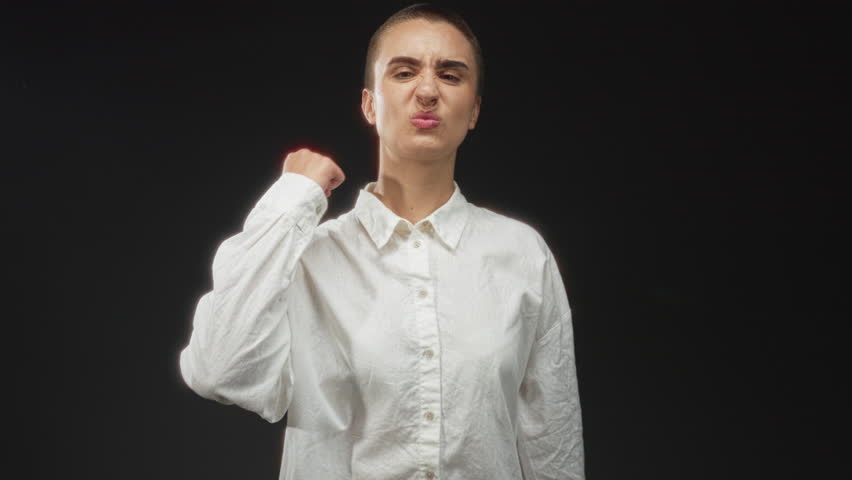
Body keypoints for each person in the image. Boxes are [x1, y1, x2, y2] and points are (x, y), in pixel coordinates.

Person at [178, 3, 585, 479]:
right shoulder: (309, 257)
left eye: (451, 76)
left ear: (474, 111)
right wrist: (293, 200)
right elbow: (220, 370)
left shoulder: (522, 255)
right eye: (405, 72)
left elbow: (553, 444)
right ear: (370, 103)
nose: (428, 90)